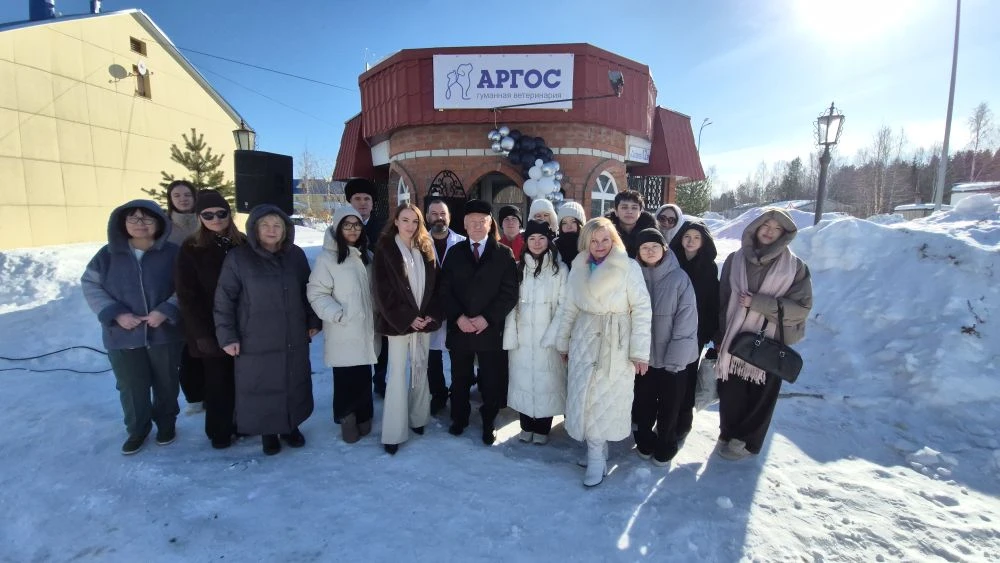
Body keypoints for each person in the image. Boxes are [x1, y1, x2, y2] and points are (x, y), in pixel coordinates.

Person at [214, 205, 321, 456]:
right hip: (255, 336)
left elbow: (308, 290)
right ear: (254, 228)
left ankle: (291, 427)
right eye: (265, 225)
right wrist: (227, 336)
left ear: (286, 230)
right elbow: (224, 300)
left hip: (293, 333)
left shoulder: (295, 255)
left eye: (277, 225)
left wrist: (313, 320)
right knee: (263, 384)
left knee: (293, 380)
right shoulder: (239, 258)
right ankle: (268, 433)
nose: (271, 230)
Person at [554, 217, 651, 487]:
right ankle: (598, 450)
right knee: (586, 398)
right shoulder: (579, 267)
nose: (599, 245)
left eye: (605, 239)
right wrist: (563, 342)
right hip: (584, 339)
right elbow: (569, 308)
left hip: (615, 341)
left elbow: (642, 309)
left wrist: (640, 352)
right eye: (594, 240)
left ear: (614, 240)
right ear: (586, 242)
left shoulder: (628, 266)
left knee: (603, 398)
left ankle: (596, 456)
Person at [81, 200, 183, 455]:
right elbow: (91, 285)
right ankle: (137, 429)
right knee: (131, 385)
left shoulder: (173, 253)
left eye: (147, 218)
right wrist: (116, 314)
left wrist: (166, 309)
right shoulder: (107, 255)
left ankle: (167, 424)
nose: (140, 224)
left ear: (159, 223)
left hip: (164, 333)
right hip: (122, 334)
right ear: (122, 223)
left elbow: (187, 287)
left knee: (167, 382)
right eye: (133, 218)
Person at [714, 209, 812, 461]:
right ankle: (728, 431)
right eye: (766, 225)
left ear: (784, 234)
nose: (769, 231)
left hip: (770, 339)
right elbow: (723, 298)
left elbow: (801, 308)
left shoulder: (795, 268)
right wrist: (719, 334)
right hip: (735, 336)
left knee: (761, 393)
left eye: (777, 228)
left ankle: (746, 441)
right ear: (756, 227)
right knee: (731, 390)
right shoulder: (735, 259)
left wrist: (758, 303)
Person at [437, 199, 519, 446]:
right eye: (471, 221)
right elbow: (444, 290)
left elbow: (509, 293)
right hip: (460, 329)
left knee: (491, 380)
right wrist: (458, 317)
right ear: (464, 224)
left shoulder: (503, 254)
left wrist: (487, 318)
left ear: (490, 224)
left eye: (482, 221)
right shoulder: (455, 253)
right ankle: (459, 418)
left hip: (489, 330)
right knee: (460, 378)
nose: (476, 225)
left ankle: (488, 421)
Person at [174, 190, 247, 449]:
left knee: (243, 379)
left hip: (244, 323)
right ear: (199, 217)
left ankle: (243, 423)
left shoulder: (243, 243)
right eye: (208, 215)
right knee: (218, 382)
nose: (215, 219)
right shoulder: (191, 248)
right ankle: (219, 431)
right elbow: (186, 296)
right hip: (209, 326)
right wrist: (201, 334)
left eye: (221, 213)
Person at [372, 203, 442, 455]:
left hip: (424, 322)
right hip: (399, 323)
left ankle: (418, 418)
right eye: (405, 220)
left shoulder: (426, 246)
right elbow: (382, 291)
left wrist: (430, 315)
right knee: (397, 374)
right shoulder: (385, 247)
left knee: (421, 369)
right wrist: (408, 317)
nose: (410, 226)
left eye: (415, 221)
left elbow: (436, 286)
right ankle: (393, 432)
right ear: (396, 221)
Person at [306, 206, 377, 445]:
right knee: (346, 377)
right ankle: (347, 417)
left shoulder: (367, 256)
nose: (353, 230)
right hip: (343, 328)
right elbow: (317, 293)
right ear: (338, 228)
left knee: (364, 375)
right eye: (347, 225)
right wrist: (338, 315)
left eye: (357, 225)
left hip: (366, 328)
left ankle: (364, 414)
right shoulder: (327, 258)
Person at [632, 228, 699, 465]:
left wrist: (675, 360)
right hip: (643, 359)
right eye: (644, 247)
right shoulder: (632, 276)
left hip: (673, 360)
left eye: (654, 246)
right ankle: (644, 440)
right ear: (638, 252)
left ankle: (666, 444)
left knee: (670, 406)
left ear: (664, 249)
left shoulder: (679, 278)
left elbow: (687, 321)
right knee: (643, 403)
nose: (650, 251)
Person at [503, 220, 567, 445]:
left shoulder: (559, 270)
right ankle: (526, 424)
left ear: (548, 241)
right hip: (522, 336)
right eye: (532, 238)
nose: (537, 243)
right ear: (526, 242)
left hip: (547, 337)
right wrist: (511, 335)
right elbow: (510, 303)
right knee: (522, 379)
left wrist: (553, 336)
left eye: (541, 238)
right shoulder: (518, 268)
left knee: (546, 381)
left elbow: (564, 305)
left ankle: (542, 427)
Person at [668, 220, 720, 441]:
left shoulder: (709, 266)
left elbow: (712, 302)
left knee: (688, 376)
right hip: (668, 327)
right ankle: (666, 418)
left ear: (703, 241)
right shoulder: (670, 261)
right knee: (669, 376)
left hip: (694, 332)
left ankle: (683, 420)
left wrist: (708, 332)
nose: (691, 241)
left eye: (696, 237)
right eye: (687, 236)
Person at [345, 177, 389, 398]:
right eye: (357, 198)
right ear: (349, 202)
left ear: (373, 203)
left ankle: (380, 380)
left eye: (367, 199)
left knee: (382, 344)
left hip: (379, 296)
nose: (362, 203)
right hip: (351, 298)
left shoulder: (385, 228)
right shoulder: (339, 229)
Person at [166, 180, 204, 413]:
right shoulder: (165, 227)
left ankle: (212, 392)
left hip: (207, 293)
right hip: (178, 293)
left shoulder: (206, 219)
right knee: (187, 349)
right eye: (177, 195)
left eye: (187, 194)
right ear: (170, 199)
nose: (182, 199)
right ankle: (194, 395)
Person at [425, 198, 465, 415]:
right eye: (434, 213)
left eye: (442, 214)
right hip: (430, 309)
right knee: (432, 358)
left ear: (449, 217)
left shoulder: (462, 242)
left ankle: (459, 395)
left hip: (457, 309)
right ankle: (438, 394)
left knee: (457, 357)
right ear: (427, 217)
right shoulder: (419, 243)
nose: (438, 218)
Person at [605, 189, 657, 258]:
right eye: (624, 207)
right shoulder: (605, 232)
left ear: (640, 212)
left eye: (634, 208)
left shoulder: (651, 235)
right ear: (616, 211)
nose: (629, 211)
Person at [554, 201, 586, 269]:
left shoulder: (589, 245)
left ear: (580, 223)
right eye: (564, 223)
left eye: (573, 222)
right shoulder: (553, 247)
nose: (569, 226)